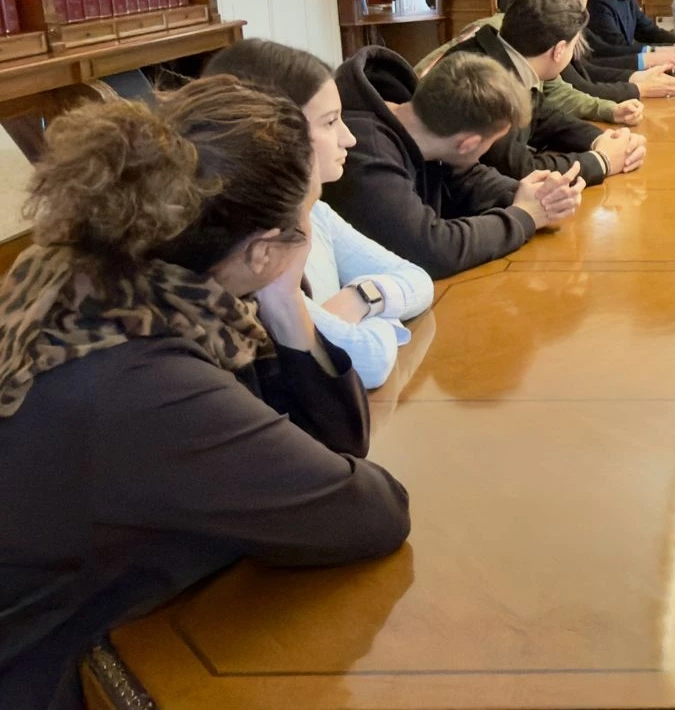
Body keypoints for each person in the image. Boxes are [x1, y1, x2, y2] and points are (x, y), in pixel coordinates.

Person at [0, 80, 410, 709]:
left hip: (120, 622)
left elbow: (328, 446)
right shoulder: (144, 380)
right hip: (60, 674)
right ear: (263, 247)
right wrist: (282, 287)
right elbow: (369, 512)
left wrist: (279, 298)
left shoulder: (107, 282)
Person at [205, 39, 436, 389]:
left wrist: (361, 298)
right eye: (330, 123)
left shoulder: (317, 213)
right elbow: (369, 361)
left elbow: (418, 279)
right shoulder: (254, 252)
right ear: (275, 136)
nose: (349, 139)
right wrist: (385, 319)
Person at [321, 47, 583, 279]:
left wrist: (533, 197)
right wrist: (523, 217)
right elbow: (431, 249)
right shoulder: (364, 150)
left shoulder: (424, 125)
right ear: (467, 144)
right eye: (491, 141)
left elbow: (464, 177)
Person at [422, 0, 646, 184]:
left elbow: (540, 117)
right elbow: (520, 171)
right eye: (573, 46)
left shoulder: (505, 54)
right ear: (558, 50)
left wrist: (602, 140)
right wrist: (600, 162)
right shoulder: (483, 79)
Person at [500, 0, 675, 104]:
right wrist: (638, 86)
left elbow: (587, 67)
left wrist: (640, 74)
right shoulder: (540, 31)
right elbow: (579, 86)